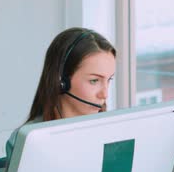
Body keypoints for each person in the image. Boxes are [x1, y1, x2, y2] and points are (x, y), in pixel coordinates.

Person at [6, 27, 116, 157]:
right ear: (61, 81)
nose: (104, 94)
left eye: (109, 80)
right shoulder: (27, 140)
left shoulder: (112, 132)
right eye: (94, 80)